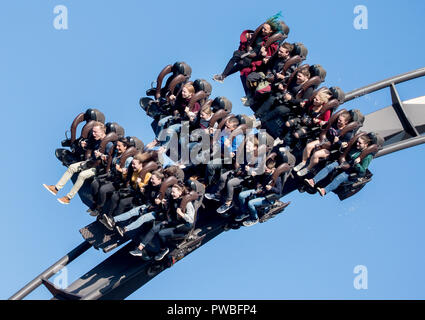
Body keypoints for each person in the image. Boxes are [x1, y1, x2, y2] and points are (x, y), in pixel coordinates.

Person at [43, 121, 113, 205]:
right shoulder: (96, 140)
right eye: (93, 131)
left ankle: (68, 198)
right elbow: (90, 147)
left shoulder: (109, 144)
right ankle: (56, 188)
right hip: (90, 162)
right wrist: (84, 144)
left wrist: (101, 155)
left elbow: (110, 159)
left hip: (98, 168)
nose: (93, 134)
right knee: (72, 167)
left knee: (82, 175)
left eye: (95, 132)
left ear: (102, 132)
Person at [129, 183, 195, 260]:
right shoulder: (173, 199)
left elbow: (191, 220)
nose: (171, 193)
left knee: (161, 233)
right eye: (171, 192)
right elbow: (171, 210)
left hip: (182, 227)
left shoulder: (187, 203)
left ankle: (163, 250)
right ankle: (139, 249)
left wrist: (182, 214)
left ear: (180, 192)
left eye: (173, 192)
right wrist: (164, 203)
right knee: (154, 229)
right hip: (173, 222)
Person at [304, 135, 373, 196]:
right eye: (357, 142)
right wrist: (342, 146)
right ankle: (313, 181)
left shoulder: (368, 156)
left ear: (366, 145)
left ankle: (324, 190)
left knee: (340, 177)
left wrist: (357, 164)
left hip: (352, 169)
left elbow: (362, 170)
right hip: (343, 162)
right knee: (329, 167)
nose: (357, 144)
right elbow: (343, 152)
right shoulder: (354, 146)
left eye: (360, 143)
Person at [100, 170, 164, 235]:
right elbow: (147, 193)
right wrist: (143, 190)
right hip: (147, 205)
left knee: (142, 218)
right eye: (151, 179)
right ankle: (113, 220)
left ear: (159, 180)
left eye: (153, 179)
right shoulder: (151, 185)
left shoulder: (163, 190)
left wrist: (160, 202)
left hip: (156, 211)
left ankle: (124, 229)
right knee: (132, 212)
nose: (151, 180)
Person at [295, 110, 353, 177]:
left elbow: (343, 146)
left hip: (331, 148)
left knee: (316, 154)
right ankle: (303, 162)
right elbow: (325, 127)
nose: (338, 121)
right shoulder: (334, 123)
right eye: (338, 119)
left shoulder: (348, 133)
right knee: (309, 146)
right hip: (324, 141)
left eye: (340, 121)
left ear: (346, 122)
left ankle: (308, 168)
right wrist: (322, 123)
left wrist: (338, 142)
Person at [88, 137, 133, 216]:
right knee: (94, 183)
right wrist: (101, 155)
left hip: (119, 181)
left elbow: (128, 174)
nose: (117, 147)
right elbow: (109, 159)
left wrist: (120, 170)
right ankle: (96, 202)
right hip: (111, 175)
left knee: (103, 189)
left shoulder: (129, 159)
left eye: (119, 146)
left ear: (125, 147)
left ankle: (99, 208)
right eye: (117, 146)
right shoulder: (116, 153)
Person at [235, 158, 283, 226]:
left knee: (250, 203)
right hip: (260, 191)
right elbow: (258, 180)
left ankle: (254, 218)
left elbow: (279, 192)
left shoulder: (277, 178)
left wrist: (271, 188)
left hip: (267, 197)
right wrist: (254, 176)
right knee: (241, 195)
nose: (266, 171)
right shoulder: (264, 173)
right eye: (265, 169)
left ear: (273, 169)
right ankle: (245, 212)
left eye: (267, 170)